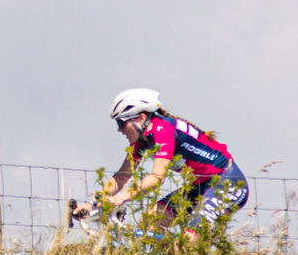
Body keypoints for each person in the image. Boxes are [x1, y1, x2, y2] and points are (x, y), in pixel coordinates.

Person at [71, 88, 249, 237]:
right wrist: (93, 204)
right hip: (202, 185)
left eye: (121, 122)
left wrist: (120, 198)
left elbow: (156, 178)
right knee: (150, 222)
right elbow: (123, 176)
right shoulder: (142, 140)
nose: (118, 129)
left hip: (228, 182)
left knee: (190, 239)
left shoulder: (163, 129)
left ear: (141, 118)